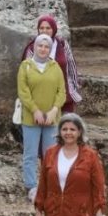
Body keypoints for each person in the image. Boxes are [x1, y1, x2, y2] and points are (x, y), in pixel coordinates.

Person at [17, 34, 66, 202]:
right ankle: (31, 186)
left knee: (50, 155)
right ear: (35, 47)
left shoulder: (55, 67)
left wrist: (53, 110)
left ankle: (49, 186)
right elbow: (23, 92)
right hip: (31, 119)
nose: (43, 49)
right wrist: (35, 110)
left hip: (52, 119)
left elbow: (62, 92)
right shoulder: (26, 66)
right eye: (40, 46)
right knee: (30, 154)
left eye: (46, 46)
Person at [21, 14, 82, 114]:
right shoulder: (32, 48)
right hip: (41, 97)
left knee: (65, 125)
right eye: (42, 28)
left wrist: (75, 87)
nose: (44, 31)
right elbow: (26, 75)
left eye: (48, 28)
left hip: (65, 95)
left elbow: (71, 67)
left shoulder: (62, 44)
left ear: (53, 29)